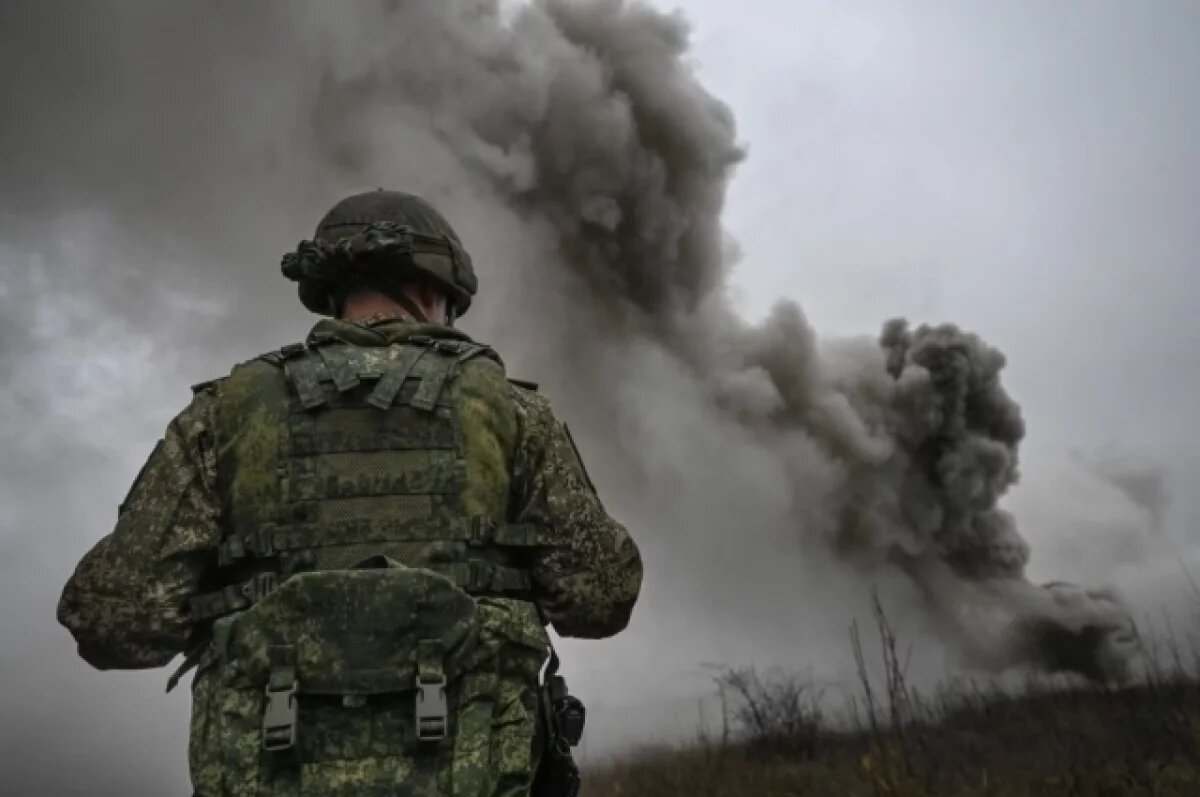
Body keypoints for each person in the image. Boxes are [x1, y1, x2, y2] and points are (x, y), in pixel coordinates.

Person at [57, 190, 643, 796]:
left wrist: (245, 593)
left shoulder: (222, 415)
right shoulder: (510, 410)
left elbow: (113, 620)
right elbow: (601, 597)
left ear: (332, 291)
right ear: (435, 289)